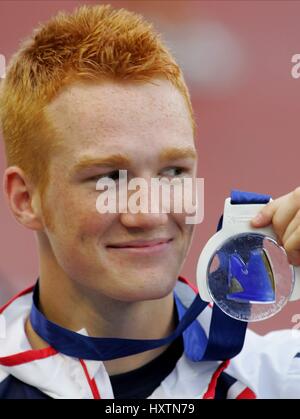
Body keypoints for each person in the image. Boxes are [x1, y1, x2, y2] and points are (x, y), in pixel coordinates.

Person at [0, 4, 299, 399]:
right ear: (26, 199)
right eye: (108, 177)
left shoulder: (278, 378)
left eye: (173, 172)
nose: (151, 212)